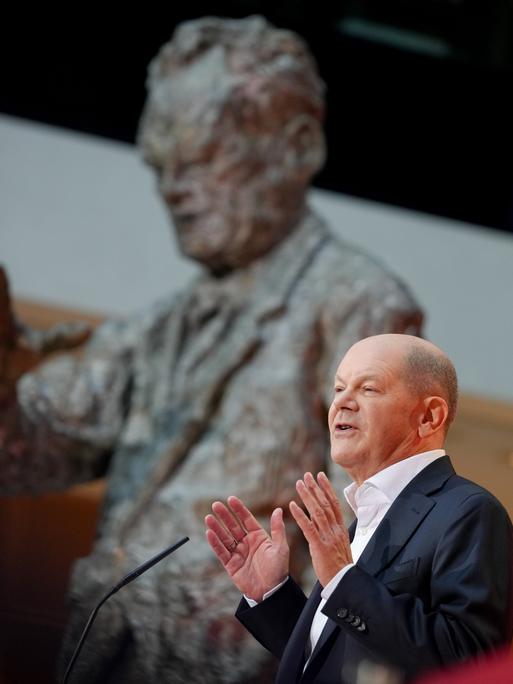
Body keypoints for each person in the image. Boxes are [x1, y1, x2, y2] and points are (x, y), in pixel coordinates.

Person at [0, 17, 422, 684]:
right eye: (162, 166)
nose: (172, 186)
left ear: (296, 146)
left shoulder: (356, 302)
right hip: (105, 656)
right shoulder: (164, 325)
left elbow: (379, 530)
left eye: (200, 158)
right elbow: (36, 449)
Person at [206, 333, 513, 684]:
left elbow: (467, 659)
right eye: (338, 389)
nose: (341, 403)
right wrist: (273, 593)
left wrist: (343, 578)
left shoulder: (468, 511)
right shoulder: (364, 520)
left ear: (429, 416)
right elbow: (335, 658)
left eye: (368, 388)